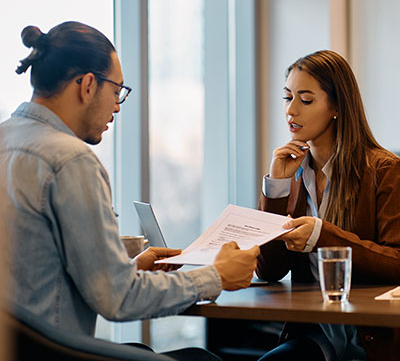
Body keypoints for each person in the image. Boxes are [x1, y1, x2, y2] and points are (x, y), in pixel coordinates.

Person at [0, 21, 260, 360]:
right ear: (88, 85)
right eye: (117, 90)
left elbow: (35, 272)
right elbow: (117, 299)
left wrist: (130, 268)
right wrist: (217, 275)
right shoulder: (70, 160)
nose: (119, 106)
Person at [256, 50, 400, 361]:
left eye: (305, 100)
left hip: (373, 339)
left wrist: (322, 236)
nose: (291, 110)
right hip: (317, 335)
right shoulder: (292, 173)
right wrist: (276, 187)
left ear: (336, 106)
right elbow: (269, 270)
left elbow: (397, 262)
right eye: (287, 97)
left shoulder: (384, 170)